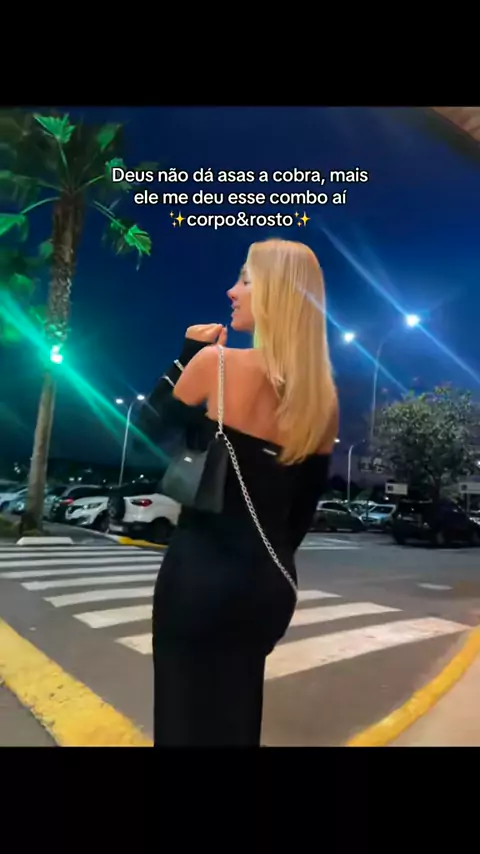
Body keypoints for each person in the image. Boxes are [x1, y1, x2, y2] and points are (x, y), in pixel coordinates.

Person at [137, 238, 338, 747]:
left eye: (245, 279)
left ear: (274, 293)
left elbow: (146, 430)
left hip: (198, 579)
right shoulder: (322, 403)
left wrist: (186, 355)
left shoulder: (216, 365)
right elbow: (297, 519)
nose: (232, 291)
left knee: (183, 720)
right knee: (237, 717)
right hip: (266, 587)